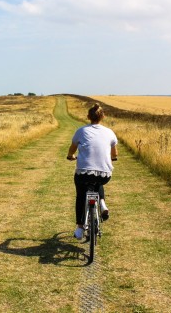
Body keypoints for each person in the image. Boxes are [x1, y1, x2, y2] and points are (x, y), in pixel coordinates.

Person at [67, 103, 118, 240]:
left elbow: (72, 149)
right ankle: (102, 203)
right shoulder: (110, 132)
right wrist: (112, 158)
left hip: (83, 173)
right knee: (98, 179)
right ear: (103, 116)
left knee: (81, 194)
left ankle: (79, 228)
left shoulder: (81, 131)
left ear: (88, 116)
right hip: (104, 174)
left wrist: (71, 156)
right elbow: (114, 154)